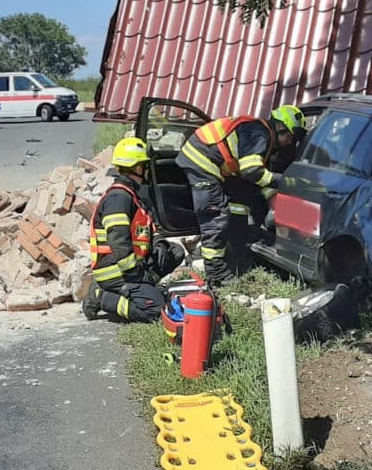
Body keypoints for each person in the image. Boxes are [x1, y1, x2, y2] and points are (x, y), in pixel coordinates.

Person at [176, 104, 305, 284]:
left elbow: (255, 179)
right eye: (289, 136)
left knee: (240, 201)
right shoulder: (260, 135)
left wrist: (273, 199)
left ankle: (235, 245)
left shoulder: (263, 136)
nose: (289, 142)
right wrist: (285, 181)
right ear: (280, 127)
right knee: (216, 217)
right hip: (202, 161)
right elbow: (251, 171)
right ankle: (216, 274)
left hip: (208, 159)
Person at [82, 137, 186, 322]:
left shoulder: (133, 194)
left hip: (133, 262)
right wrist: (137, 275)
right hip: (117, 268)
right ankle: (102, 296)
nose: (147, 170)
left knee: (175, 252)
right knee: (156, 312)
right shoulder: (118, 199)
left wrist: (159, 242)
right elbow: (119, 243)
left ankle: (142, 289)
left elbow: (147, 227)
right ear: (137, 168)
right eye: (145, 166)